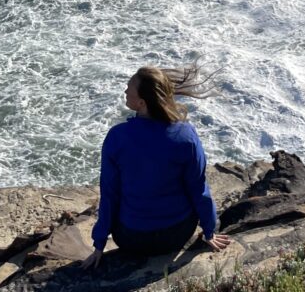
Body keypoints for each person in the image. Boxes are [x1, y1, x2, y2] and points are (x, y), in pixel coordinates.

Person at [82, 65, 231, 267]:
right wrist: (209, 230)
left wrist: (99, 244)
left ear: (142, 103)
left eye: (129, 87)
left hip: (130, 239)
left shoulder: (117, 137)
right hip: (176, 235)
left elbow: (109, 193)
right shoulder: (186, 135)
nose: (125, 91)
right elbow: (198, 188)